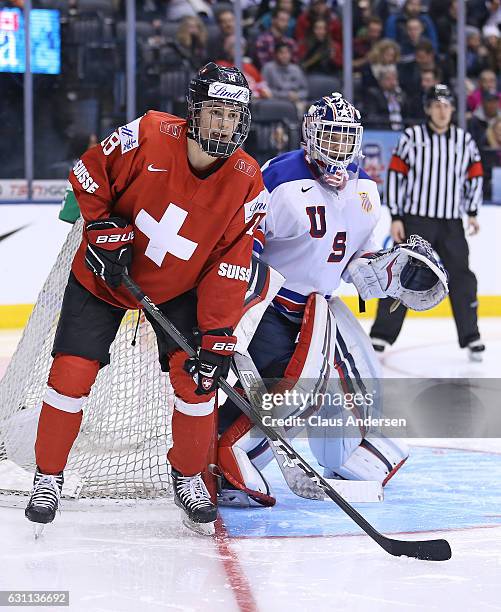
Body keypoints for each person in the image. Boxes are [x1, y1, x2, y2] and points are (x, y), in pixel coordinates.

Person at [24, 63, 268, 535]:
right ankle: (47, 477)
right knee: (70, 375)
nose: (224, 123)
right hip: (102, 279)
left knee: (198, 380)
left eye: (234, 115)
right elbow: (89, 172)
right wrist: (98, 227)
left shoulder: (247, 182)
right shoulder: (150, 133)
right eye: (215, 112)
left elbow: (229, 265)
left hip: (180, 287)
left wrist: (219, 334)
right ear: (194, 112)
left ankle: (188, 475)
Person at [215, 93, 447, 507]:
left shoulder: (365, 193)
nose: (339, 148)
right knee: (284, 395)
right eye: (331, 137)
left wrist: (383, 273)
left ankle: (342, 455)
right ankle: (220, 458)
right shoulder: (280, 178)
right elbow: (239, 242)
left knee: (356, 386)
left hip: (318, 310)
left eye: (346, 139)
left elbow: (352, 258)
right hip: (268, 306)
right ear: (310, 136)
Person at [370, 84, 485, 362]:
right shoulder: (412, 137)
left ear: (453, 109)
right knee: (403, 274)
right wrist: (396, 216)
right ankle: (382, 334)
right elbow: (396, 175)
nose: (442, 111)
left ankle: (471, 335)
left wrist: (472, 211)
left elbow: (475, 174)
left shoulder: (464, 140)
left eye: (446, 106)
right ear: (427, 109)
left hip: (451, 222)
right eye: (436, 105)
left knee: (462, 277)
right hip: (417, 220)